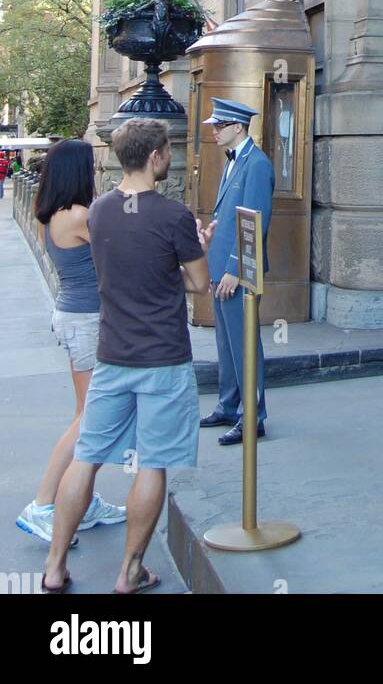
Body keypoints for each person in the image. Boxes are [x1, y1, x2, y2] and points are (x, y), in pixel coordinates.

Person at [41, 119, 212, 594]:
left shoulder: (98, 212)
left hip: (112, 354)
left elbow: (126, 271)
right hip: (162, 358)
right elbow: (198, 284)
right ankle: (129, 571)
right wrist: (200, 249)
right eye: (166, 153)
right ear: (157, 156)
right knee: (153, 463)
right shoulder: (174, 215)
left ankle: (54, 567)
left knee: (88, 457)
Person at [16, 140, 126, 544]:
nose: (97, 170)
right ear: (78, 172)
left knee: (88, 413)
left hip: (73, 316)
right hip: (86, 320)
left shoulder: (48, 214)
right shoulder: (79, 215)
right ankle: (43, 503)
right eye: (92, 164)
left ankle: (84, 499)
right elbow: (120, 252)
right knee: (87, 419)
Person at [198, 98, 274, 446]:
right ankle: (229, 406)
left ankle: (252, 416)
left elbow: (255, 223)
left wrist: (233, 269)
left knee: (244, 345)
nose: (214, 131)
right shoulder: (234, 161)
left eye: (219, 125)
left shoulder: (256, 164)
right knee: (227, 344)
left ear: (238, 128)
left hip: (239, 271)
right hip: (223, 267)